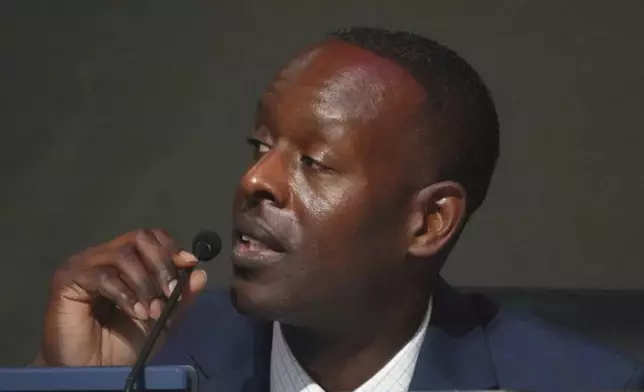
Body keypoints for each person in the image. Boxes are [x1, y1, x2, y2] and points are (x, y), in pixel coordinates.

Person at [34, 27, 644, 391]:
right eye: (260, 147)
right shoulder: (159, 350)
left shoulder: (580, 385)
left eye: (315, 162)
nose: (254, 180)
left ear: (428, 223)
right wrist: (78, 384)